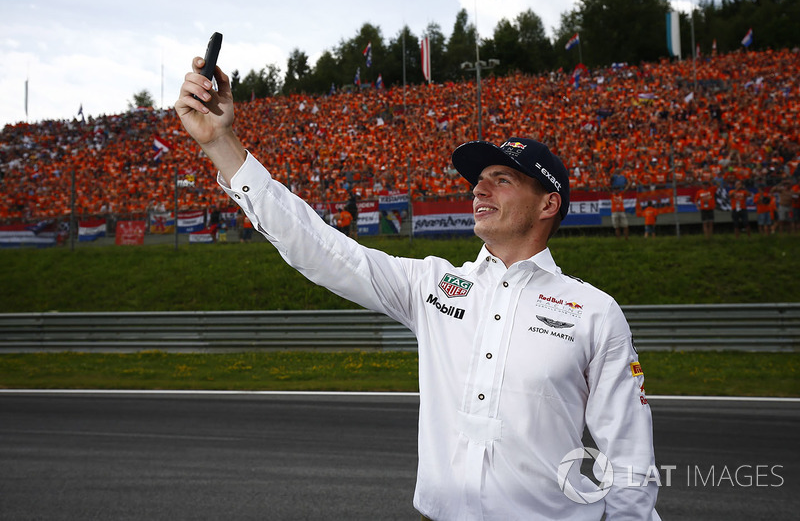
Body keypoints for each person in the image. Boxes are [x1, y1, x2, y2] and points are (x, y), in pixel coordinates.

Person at [175, 57, 660, 521]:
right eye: (478, 181)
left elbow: (630, 460)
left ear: (548, 203)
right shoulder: (433, 283)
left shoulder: (594, 312)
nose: (478, 190)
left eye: (501, 179)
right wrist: (221, 143)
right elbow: (322, 249)